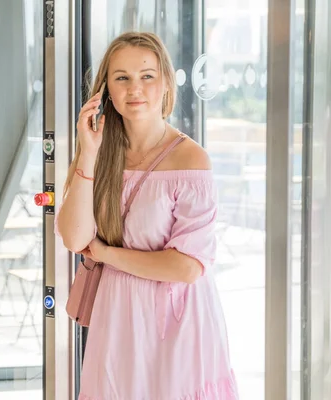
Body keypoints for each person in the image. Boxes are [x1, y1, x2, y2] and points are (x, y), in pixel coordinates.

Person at [55, 32, 238, 399]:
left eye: (147, 76)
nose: (134, 88)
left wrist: (107, 254)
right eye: (121, 77)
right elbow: (75, 238)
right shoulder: (99, 152)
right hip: (118, 317)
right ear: (106, 89)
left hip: (177, 322)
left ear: (166, 83)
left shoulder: (190, 159)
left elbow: (187, 267)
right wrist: (87, 152)